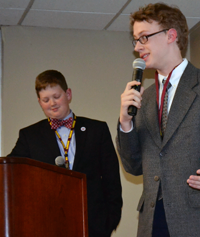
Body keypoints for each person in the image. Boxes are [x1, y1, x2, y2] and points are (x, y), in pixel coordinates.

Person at [116, 3, 200, 237]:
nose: (137, 47)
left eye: (144, 38)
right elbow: (134, 166)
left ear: (171, 35)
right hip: (153, 223)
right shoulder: (143, 99)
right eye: (135, 40)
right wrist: (125, 123)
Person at [8, 70, 122, 237]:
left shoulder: (97, 130)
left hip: (92, 226)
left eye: (56, 96)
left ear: (68, 94)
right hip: (47, 226)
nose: (52, 103)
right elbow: (11, 170)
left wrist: (110, 220)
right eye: (46, 100)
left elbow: (111, 179)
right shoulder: (29, 136)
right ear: (39, 102)